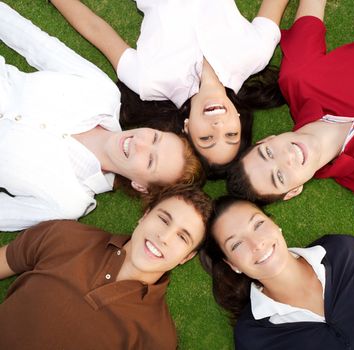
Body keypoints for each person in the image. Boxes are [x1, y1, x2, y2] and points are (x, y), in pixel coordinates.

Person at [0, 2, 202, 232]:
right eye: (155, 138)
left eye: (150, 161)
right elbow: (38, 44)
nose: (141, 144)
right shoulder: (102, 92)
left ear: (141, 186)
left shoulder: (69, 202)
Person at [227, 0, 354, 221]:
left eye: (268, 153)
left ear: (268, 139)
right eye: (279, 176)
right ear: (294, 191)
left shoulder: (299, 78)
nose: (286, 157)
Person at [49, 0, 289, 172]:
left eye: (206, 138)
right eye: (230, 134)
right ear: (239, 118)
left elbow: (95, 28)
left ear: (186, 128)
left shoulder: (147, 81)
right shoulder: (256, 54)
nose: (217, 125)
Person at [200, 197, 354, 349]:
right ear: (233, 265)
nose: (256, 243)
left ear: (275, 224)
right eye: (236, 244)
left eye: (258, 225)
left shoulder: (340, 253)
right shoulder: (252, 335)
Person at [0, 184, 212, 350]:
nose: (164, 237)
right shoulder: (65, 235)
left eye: (182, 237)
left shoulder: (158, 338)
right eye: (164, 220)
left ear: (187, 257)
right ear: (145, 216)